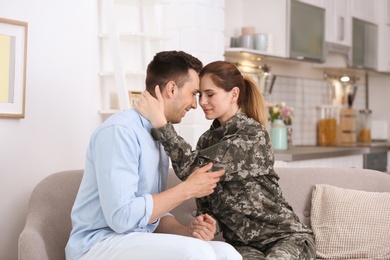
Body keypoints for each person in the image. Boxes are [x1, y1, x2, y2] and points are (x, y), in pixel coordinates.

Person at [65, 52, 242, 260]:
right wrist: (187, 189)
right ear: (172, 89)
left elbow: (149, 217)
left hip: (135, 240)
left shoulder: (155, 135)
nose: (196, 104)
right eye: (193, 93)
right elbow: (122, 218)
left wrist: (187, 231)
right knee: (197, 253)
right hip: (97, 245)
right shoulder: (120, 131)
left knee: (226, 253)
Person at [135, 60, 316, 259]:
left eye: (210, 94)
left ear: (234, 94)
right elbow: (206, 196)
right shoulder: (206, 140)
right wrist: (209, 222)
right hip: (244, 246)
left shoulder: (253, 135)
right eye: (199, 94)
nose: (202, 102)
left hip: (285, 238)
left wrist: (161, 123)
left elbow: (193, 170)